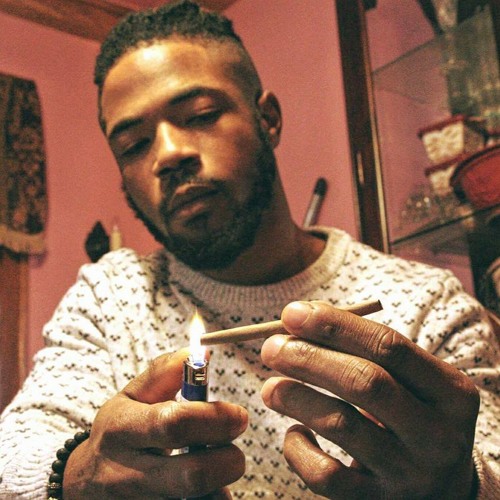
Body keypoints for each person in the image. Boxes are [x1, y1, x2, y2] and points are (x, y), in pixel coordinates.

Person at [0, 1, 499, 498]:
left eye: (200, 115)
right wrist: (75, 474)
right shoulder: (110, 296)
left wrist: (461, 485)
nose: (168, 154)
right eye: (133, 145)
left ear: (269, 118)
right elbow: (17, 449)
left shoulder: (425, 303)